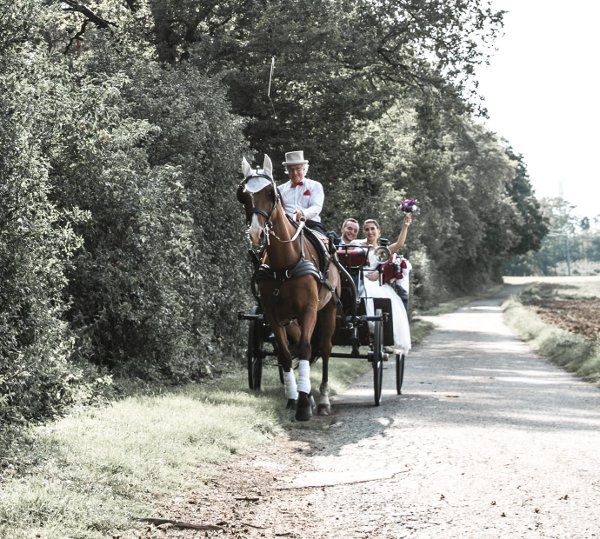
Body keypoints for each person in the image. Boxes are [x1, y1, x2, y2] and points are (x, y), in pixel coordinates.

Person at [358, 217, 412, 354]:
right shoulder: (356, 244)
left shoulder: (382, 250)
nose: (370, 232)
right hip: (357, 278)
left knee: (378, 297)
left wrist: (405, 226)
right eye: (367, 229)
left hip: (373, 282)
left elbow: (399, 244)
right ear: (363, 232)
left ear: (378, 231)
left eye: (372, 229)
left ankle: (381, 334)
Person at [278, 150, 326, 233]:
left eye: (298, 169)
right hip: (286, 226)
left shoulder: (315, 185)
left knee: (323, 242)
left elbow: (316, 207)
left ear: (304, 169)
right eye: (291, 170)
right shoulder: (280, 189)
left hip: (311, 224)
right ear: (287, 171)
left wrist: (303, 213)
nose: (295, 173)